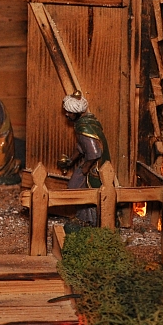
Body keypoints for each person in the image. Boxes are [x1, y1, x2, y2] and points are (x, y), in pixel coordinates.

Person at [59, 91, 111, 225]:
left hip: (95, 168)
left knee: (77, 189)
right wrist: (71, 160)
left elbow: (94, 153)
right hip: (89, 164)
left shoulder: (85, 128)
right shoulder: (83, 124)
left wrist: (84, 169)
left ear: (77, 112)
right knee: (76, 188)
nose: (67, 114)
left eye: (70, 112)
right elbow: (81, 147)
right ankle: (84, 218)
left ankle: (91, 221)